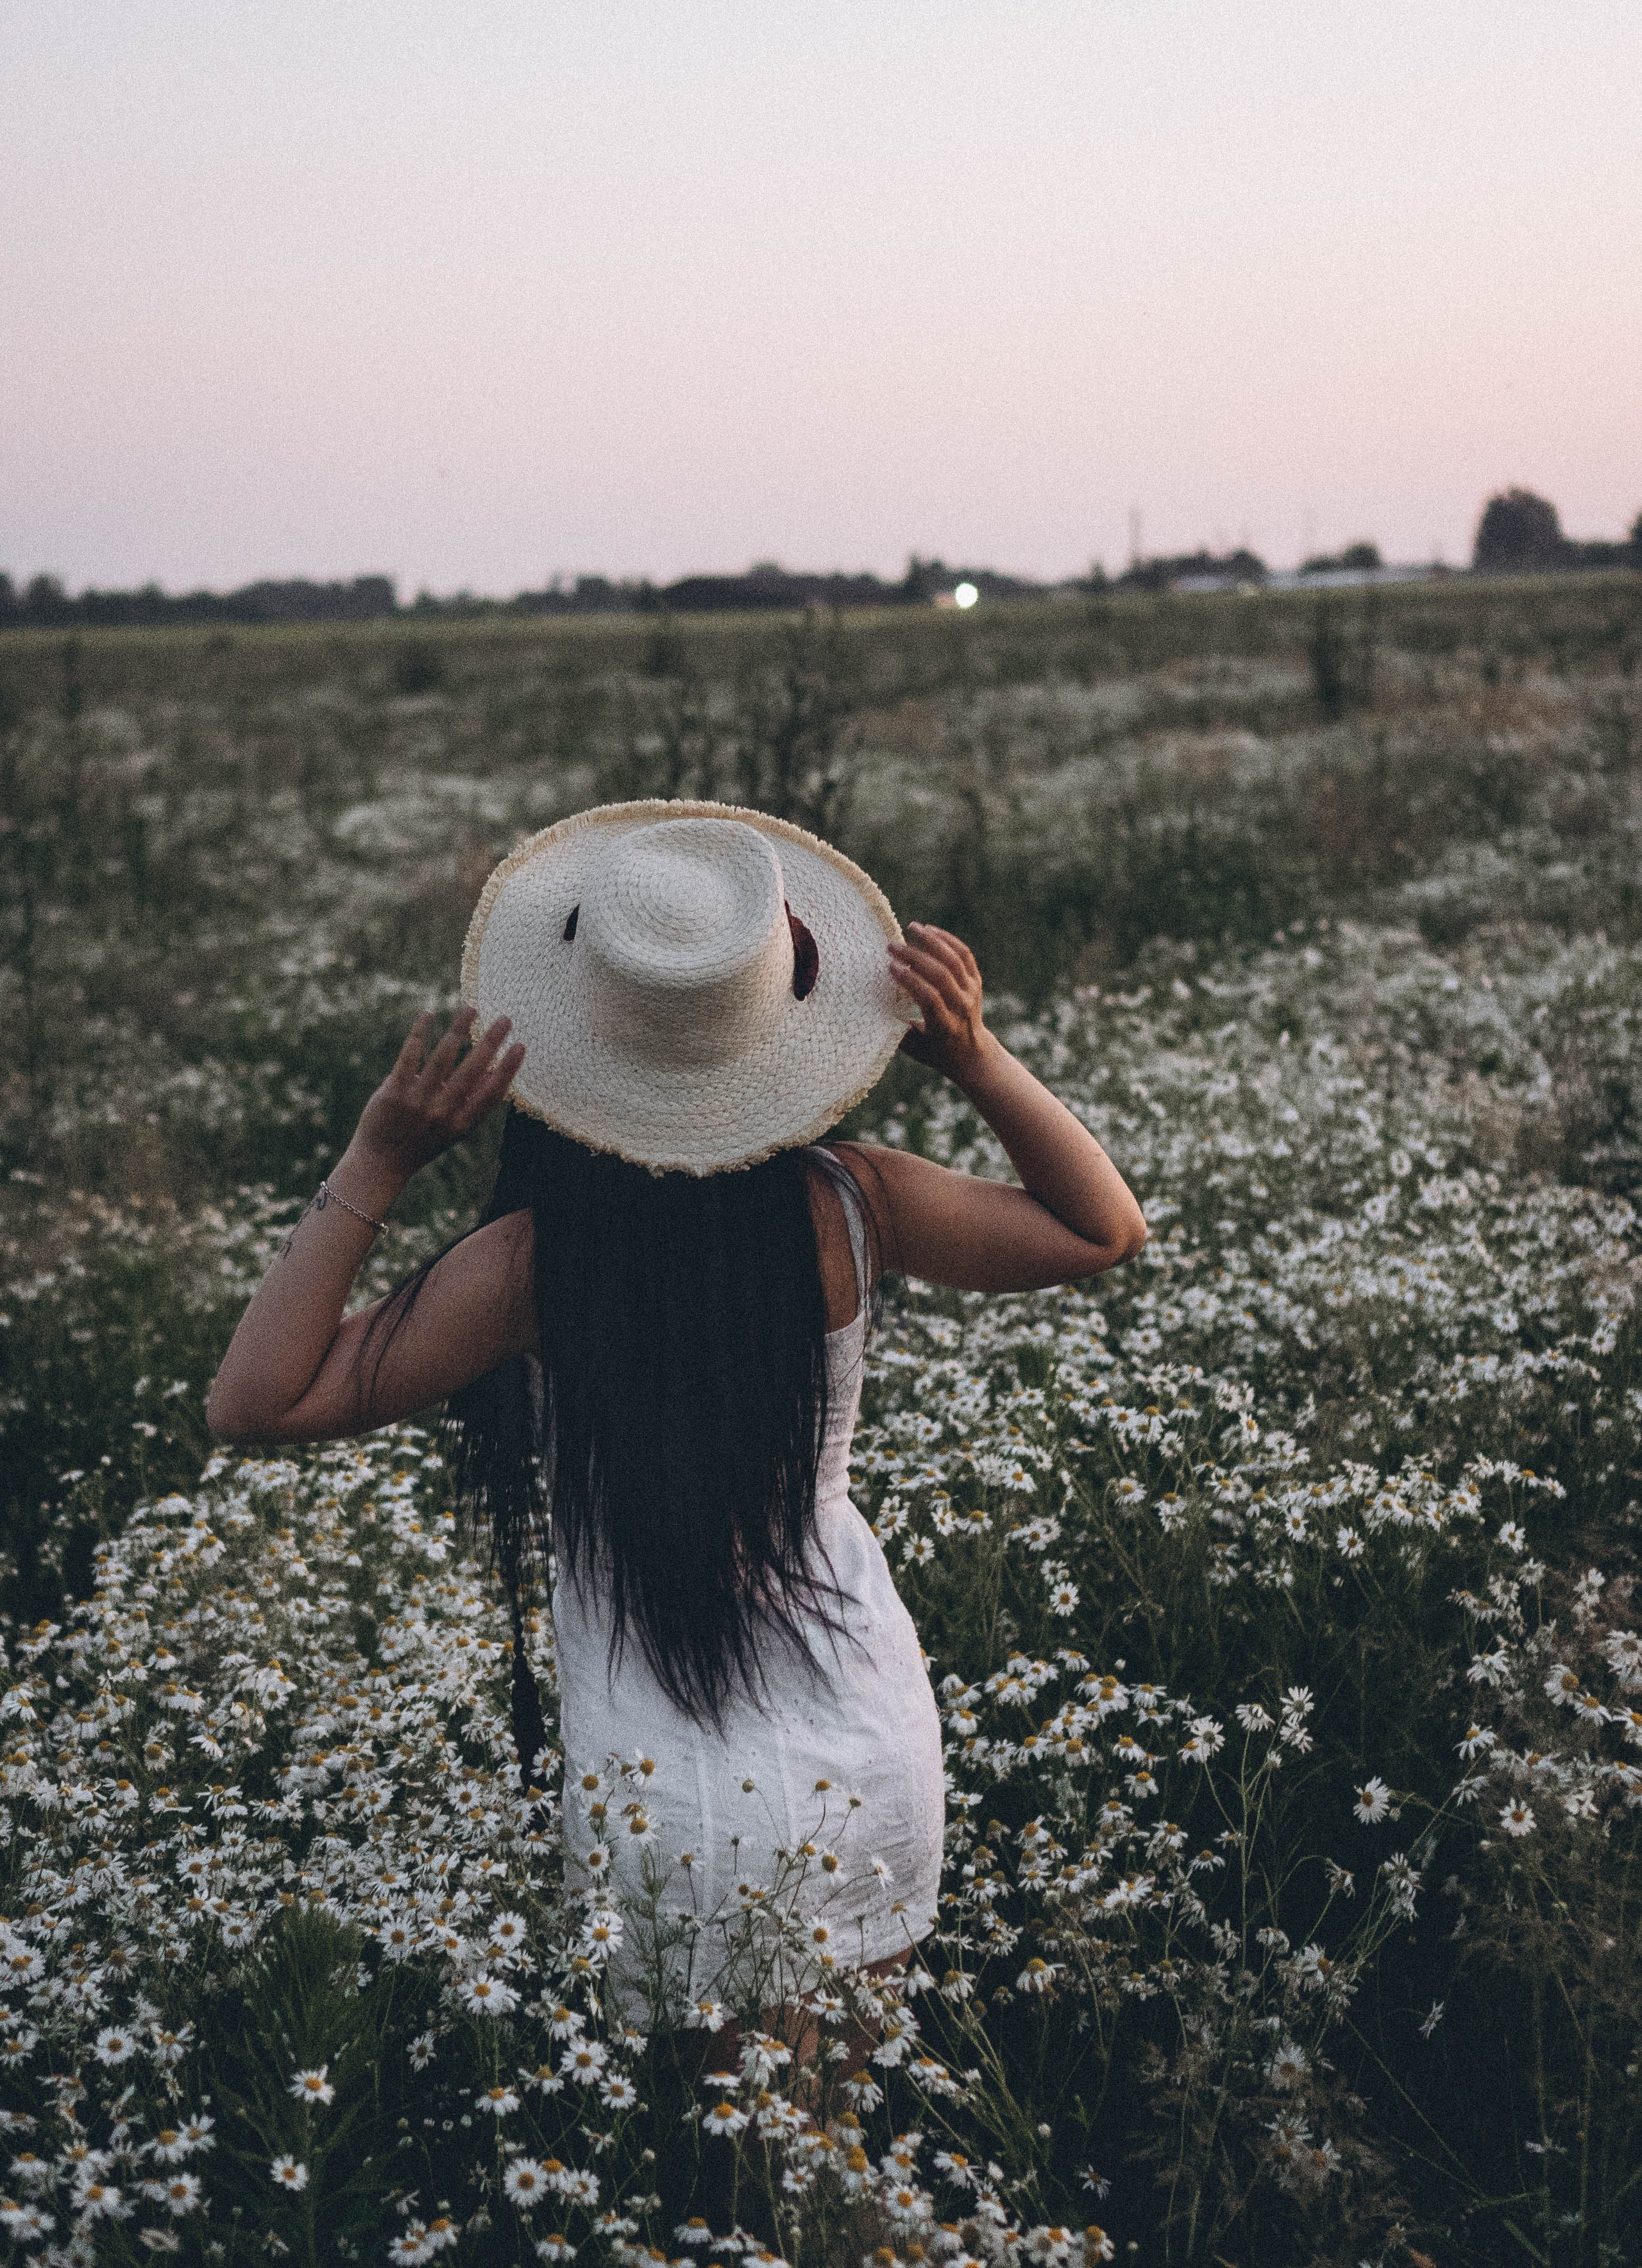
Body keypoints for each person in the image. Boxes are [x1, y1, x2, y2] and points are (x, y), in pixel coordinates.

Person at [207, 799, 1146, 2029]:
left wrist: (381, 1156)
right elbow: (1104, 1229)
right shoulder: (854, 1205)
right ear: (778, 1013)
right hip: (869, 1745)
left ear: (571, 1031)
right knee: (840, 2165)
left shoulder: (536, 1265)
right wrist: (979, 1059)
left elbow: (253, 1402)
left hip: (674, 1791)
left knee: (729, 2189)